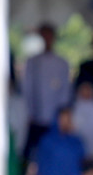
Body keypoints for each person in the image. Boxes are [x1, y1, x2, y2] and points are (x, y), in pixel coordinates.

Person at [22, 23, 71, 155]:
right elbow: (27, 88)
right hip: (36, 117)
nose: (47, 39)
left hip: (55, 118)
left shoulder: (62, 63)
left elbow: (65, 90)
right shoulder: (32, 61)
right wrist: (29, 112)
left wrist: (62, 116)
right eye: (44, 35)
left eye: (49, 36)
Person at [33, 107, 86, 175]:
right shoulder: (47, 141)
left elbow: (82, 164)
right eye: (63, 119)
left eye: (68, 119)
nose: (65, 122)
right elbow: (41, 165)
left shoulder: (76, 142)